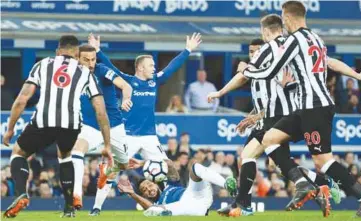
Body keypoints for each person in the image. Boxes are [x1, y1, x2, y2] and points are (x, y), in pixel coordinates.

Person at [238, 1, 361, 217]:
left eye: (284, 18)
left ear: (288, 18)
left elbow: (271, 70)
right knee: (269, 139)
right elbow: (331, 63)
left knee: (323, 161)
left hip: (315, 107)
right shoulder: (316, 39)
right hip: (304, 108)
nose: (283, 23)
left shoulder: (295, 40)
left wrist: (248, 71)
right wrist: (357, 75)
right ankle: (303, 183)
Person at [87, 33, 202, 216]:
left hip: (149, 136)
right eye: (151, 65)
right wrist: (98, 50)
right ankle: (96, 208)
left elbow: (172, 68)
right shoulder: (127, 81)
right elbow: (110, 67)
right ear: (140, 68)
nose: (154, 67)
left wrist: (187, 50)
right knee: (112, 171)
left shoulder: (154, 82)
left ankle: (172, 200)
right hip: (129, 136)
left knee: (169, 165)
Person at [2, 35, 112, 218]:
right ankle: (69, 209)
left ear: (57, 51)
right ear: (77, 53)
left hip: (44, 121)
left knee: (19, 153)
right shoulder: (85, 72)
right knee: (65, 156)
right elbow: (101, 111)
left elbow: (22, 99)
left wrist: (10, 129)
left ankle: (21, 192)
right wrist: (107, 145)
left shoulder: (43, 65)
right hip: (71, 124)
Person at [70, 44, 133, 210]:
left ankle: (106, 172)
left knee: (124, 164)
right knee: (77, 151)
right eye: (86, 60)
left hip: (114, 126)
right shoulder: (72, 75)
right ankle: (77, 195)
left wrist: (125, 99)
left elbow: (125, 86)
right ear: (77, 58)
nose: (91, 63)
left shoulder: (102, 70)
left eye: (93, 59)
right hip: (92, 126)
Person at [118, 158, 237, 216]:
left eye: (149, 184)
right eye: (144, 190)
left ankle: (226, 184)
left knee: (195, 168)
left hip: (195, 195)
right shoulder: (156, 204)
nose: (148, 189)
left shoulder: (170, 185)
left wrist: (144, 163)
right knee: (152, 211)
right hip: (189, 209)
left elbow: (169, 163)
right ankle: (168, 214)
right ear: (144, 196)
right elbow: (149, 207)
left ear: (155, 182)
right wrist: (133, 194)